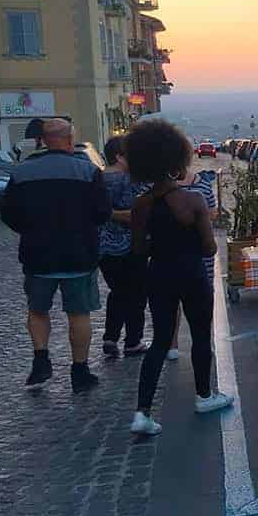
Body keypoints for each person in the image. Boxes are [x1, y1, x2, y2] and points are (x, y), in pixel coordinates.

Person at [127, 120, 232, 436]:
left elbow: (137, 249)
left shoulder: (141, 204)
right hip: (191, 273)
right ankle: (204, 395)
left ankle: (142, 413)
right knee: (201, 335)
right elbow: (209, 247)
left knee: (160, 340)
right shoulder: (192, 200)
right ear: (177, 160)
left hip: (158, 273)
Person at [1, 118, 111, 392]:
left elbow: (9, 214)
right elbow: (102, 213)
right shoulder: (87, 172)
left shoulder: (22, 172)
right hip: (78, 254)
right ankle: (80, 371)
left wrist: (30, 229)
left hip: (38, 255)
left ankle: (41, 359)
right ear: (70, 140)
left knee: (37, 310)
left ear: (43, 140)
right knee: (79, 313)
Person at [97, 135, 149, 358]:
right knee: (136, 293)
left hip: (102, 247)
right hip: (131, 245)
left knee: (118, 292)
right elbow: (135, 214)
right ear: (119, 156)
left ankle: (110, 337)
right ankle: (133, 341)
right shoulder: (129, 180)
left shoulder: (96, 179)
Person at [166, 167, 219, 361]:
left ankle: (199, 342)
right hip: (194, 253)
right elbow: (212, 214)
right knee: (192, 300)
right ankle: (184, 344)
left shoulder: (157, 190)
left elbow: (213, 213)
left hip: (172, 254)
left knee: (192, 300)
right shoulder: (199, 189)